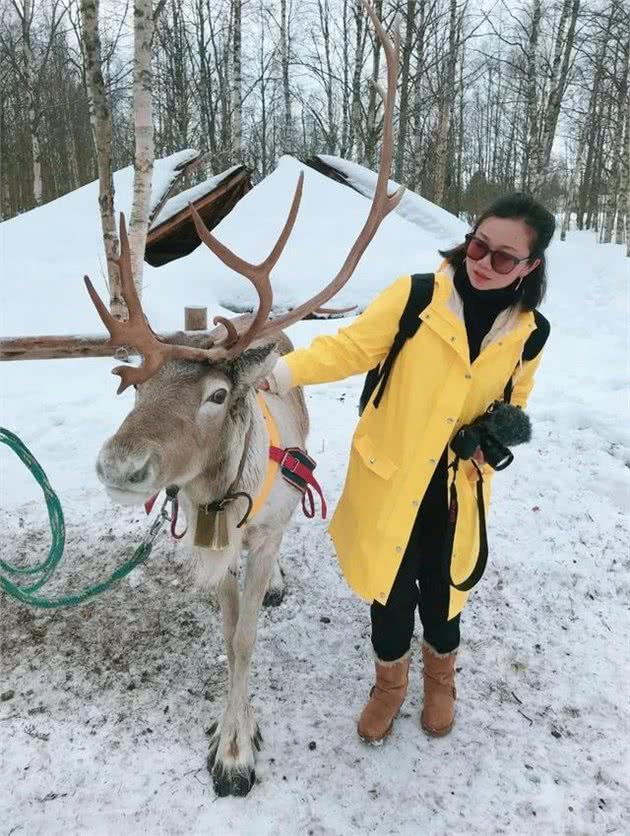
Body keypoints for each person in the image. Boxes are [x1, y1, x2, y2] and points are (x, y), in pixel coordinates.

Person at [257, 192, 556, 744]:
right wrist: (280, 374)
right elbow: (349, 349)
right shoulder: (417, 296)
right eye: (478, 245)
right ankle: (389, 685)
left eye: (504, 258)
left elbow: (516, 397)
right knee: (390, 590)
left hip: (456, 487)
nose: (483, 263)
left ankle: (441, 682)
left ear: (530, 267)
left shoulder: (529, 332)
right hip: (392, 477)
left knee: (445, 590)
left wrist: (493, 435)